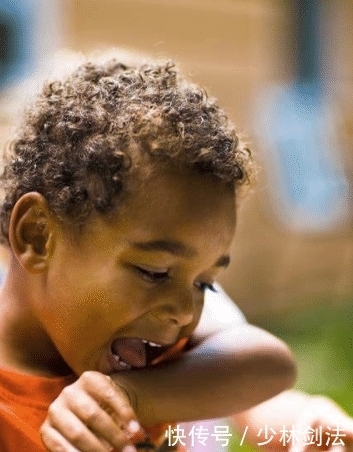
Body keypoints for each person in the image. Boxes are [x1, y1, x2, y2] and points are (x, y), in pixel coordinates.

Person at [0, 52, 349, 452]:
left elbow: (270, 364)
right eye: (154, 272)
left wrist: (136, 396)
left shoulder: (141, 355)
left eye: (205, 283)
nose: (185, 312)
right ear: (38, 235)